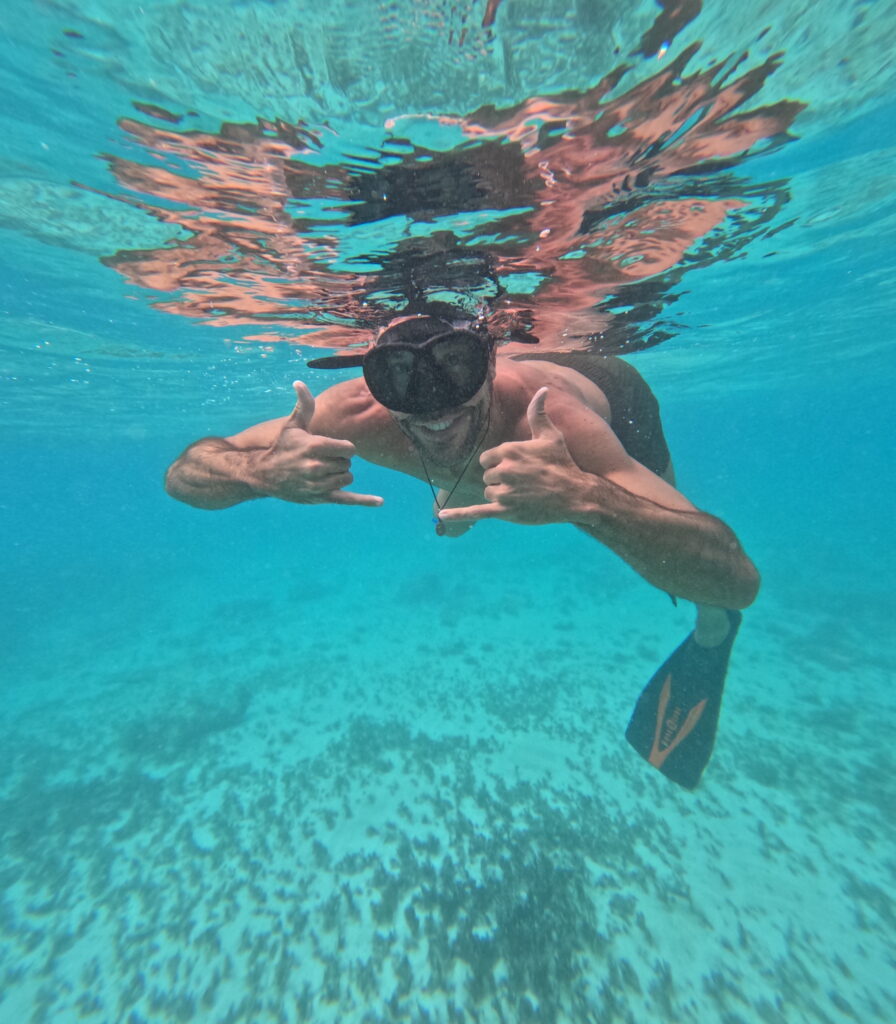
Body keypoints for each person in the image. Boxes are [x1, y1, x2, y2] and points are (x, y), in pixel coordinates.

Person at [165, 314, 760, 788]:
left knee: (675, 570)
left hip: (611, 393)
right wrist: (260, 472)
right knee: (454, 478)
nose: (434, 406)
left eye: (456, 368)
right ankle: (459, 495)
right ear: (373, 379)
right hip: (483, 452)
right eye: (400, 379)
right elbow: (184, 475)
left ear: (490, 362)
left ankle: (712, 632)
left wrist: (587, 497)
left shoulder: (558, 423)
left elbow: (736, 581)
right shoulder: (353, 413)